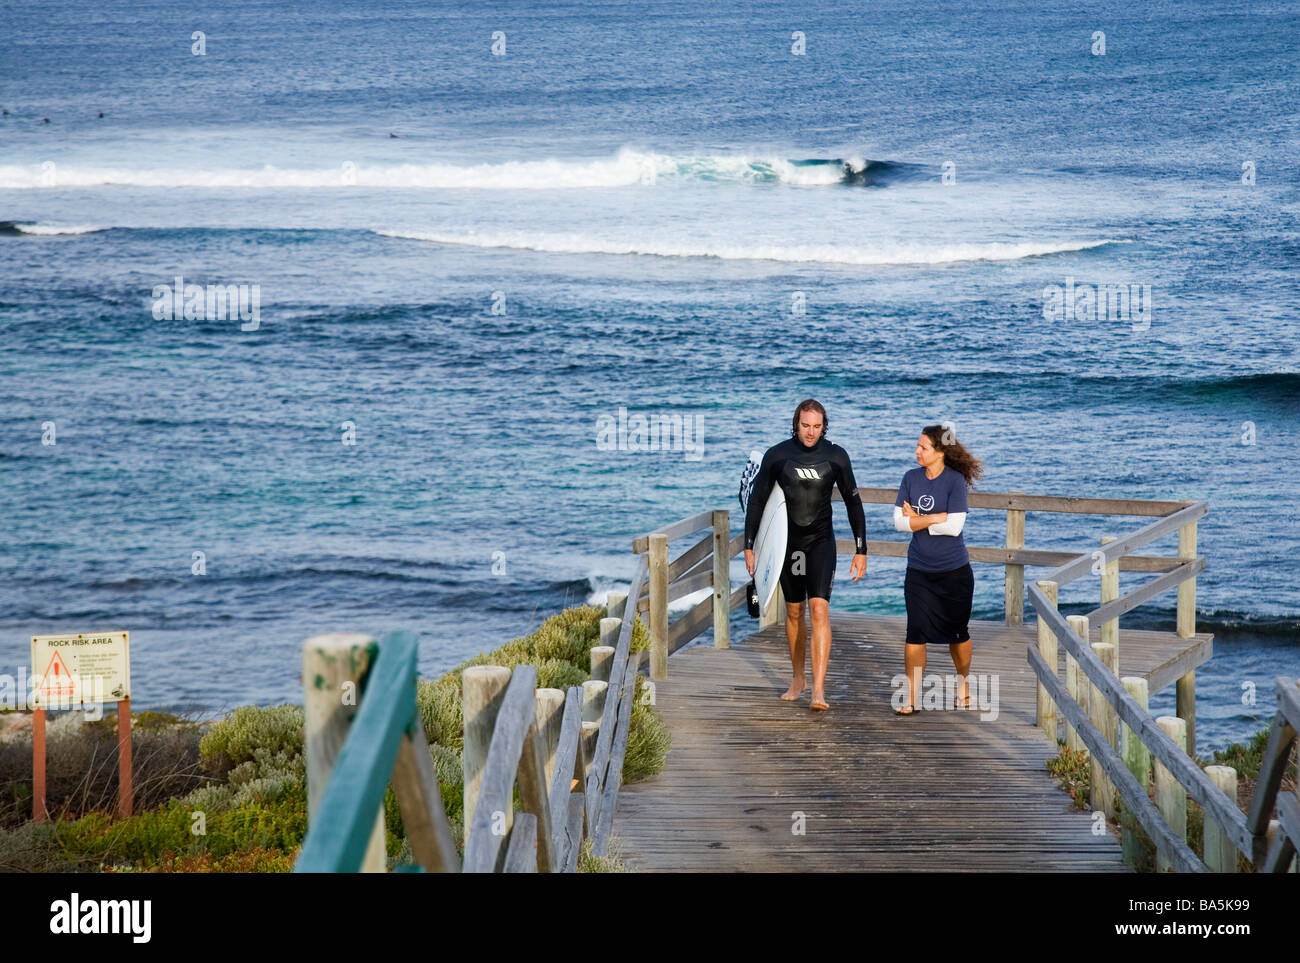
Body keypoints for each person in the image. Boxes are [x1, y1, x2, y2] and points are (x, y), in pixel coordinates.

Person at [744, 400, 867, 711]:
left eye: (816, 426)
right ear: (795, 424)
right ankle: (798, 679)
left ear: (824, 425)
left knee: (819, 610)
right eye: (805, 425)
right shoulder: (778, 455)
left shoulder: (836, 456)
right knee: (795, 612)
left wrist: (860, 549)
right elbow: (758, 502)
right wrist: (750, 546)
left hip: (821, 543)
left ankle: (818, 690)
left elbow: (853, 502)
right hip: (790, 546)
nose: (811, 432)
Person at [892, 425, 983, 715]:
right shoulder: (910, 478)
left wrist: (918, 517)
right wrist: (934, 517)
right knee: (915, 632)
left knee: (958, 634)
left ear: (940, 452)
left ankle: (964, 684)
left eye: (923, 448)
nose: (916, 452)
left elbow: (954, 527)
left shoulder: (954, 482)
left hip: (954, 572)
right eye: (917, 446)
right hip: (918, 570)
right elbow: (899, 524)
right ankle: (912, 698)